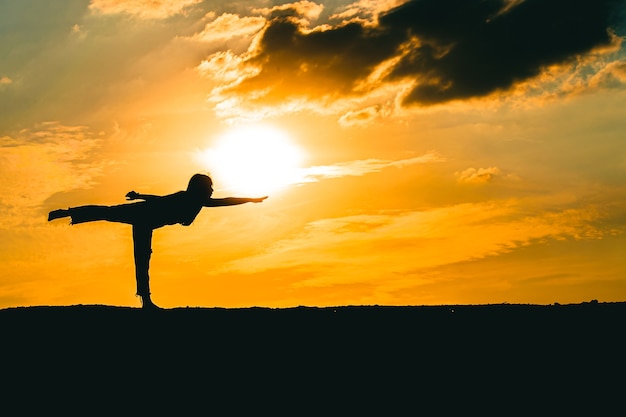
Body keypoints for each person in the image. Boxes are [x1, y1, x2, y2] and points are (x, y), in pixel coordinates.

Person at [48, 173, 267, 310]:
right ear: (199, 188)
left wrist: (250, 199)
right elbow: (161, 200)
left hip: (146, 222)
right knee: (110, 214)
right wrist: (139, 196)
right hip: (144, 214)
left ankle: (146, 301)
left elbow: (226, 201)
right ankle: (66, 212)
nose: (212, 190)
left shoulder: (199, 202)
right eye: (209, 186)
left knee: (141, 259)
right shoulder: (186, 198)